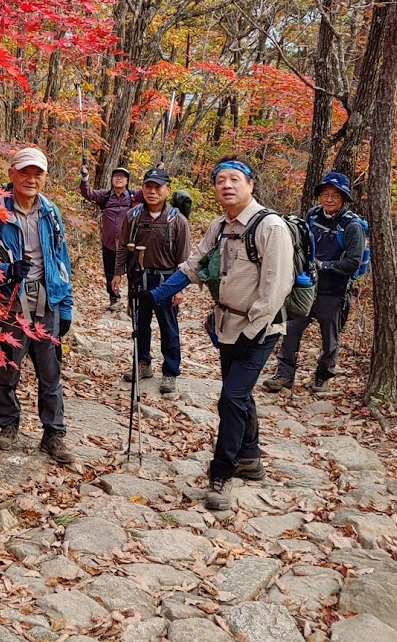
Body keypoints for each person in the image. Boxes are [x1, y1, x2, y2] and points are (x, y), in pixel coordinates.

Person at [136, 157, 293, 510]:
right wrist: (156, 295)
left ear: (251, 185)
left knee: (231, 398)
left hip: (260, 329)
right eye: (221, 179)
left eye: (235, 179)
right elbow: (193, 266)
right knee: (240, 396)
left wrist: (252, 331)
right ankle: (250, 457)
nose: (227, 185)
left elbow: (276, 287)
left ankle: (221, 474)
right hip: (226, 325)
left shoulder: (270, 227)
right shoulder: (220, 226)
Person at [0, 146, 75, 464]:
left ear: (45, 177)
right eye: (25, 172)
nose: (31, 179)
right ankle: (8, 425)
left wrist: (66, 306)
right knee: (8, 367)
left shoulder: (50, 212)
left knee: (50, 371)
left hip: (46, 298)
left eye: (37, 173)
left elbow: (61, 261)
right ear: (12, 174)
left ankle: (53, 434)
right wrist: (7, 270)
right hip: (9, 299)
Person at [264, 171, 365, 394]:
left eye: (335, 195)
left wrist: (323, 265)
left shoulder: (352, 226)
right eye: (325, 194)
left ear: (344, 198)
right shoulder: (313, 215)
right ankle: (285, 374)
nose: (329, 199)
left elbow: (353, 262)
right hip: (306, 287)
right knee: (291, 329)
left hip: (334, 292)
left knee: (330, 338)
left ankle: (323, 375)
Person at [112, 167, 191, 395]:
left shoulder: (178, 220)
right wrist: (118, 273)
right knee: (140, 325)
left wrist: (180, 288)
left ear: (167, 190)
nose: (153, 191)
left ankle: (170, 371)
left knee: (169, 327)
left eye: (158, 187)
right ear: (142, 188)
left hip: (168, 280)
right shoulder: (133, 216)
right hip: (139, 278)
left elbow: (184, 258)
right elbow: (122, 246)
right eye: (149, 186)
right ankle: (143, 363)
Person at [79, 165, 135, 310]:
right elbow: (87, 193)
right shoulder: (105, 196)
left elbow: (151, 192)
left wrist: (160, 171)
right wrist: (84, 176)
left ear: (127, 180)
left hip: (128, 243)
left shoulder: (133, 196)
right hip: (109, 242)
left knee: (132, 273)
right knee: (110, 272)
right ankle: (114, 299)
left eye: (122, 176)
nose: (119, 178)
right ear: (111, 179)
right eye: (116, 176)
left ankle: (133, 302)